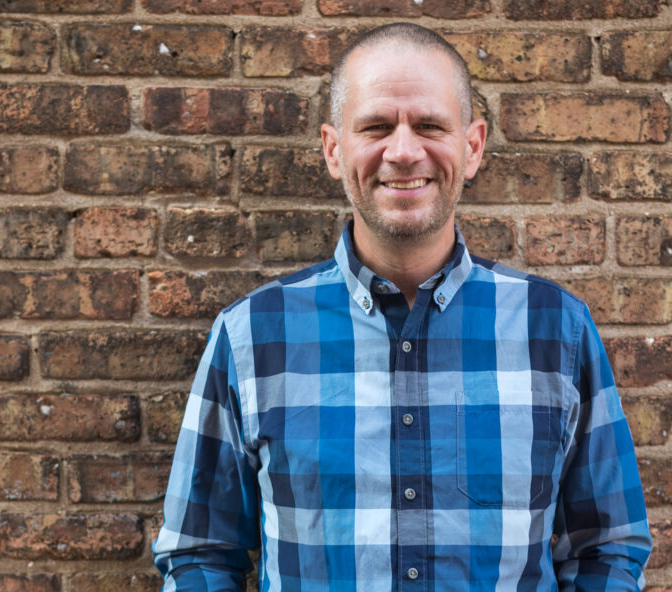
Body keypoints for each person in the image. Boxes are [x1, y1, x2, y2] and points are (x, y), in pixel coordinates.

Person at [153, 22, 652, 591]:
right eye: (376, 126)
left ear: (472, 147)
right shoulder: (250, 337)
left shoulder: (556, 329)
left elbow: (606, 550)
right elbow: (200, 556)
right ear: (334, 150)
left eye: (431, 125)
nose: (404, 150)